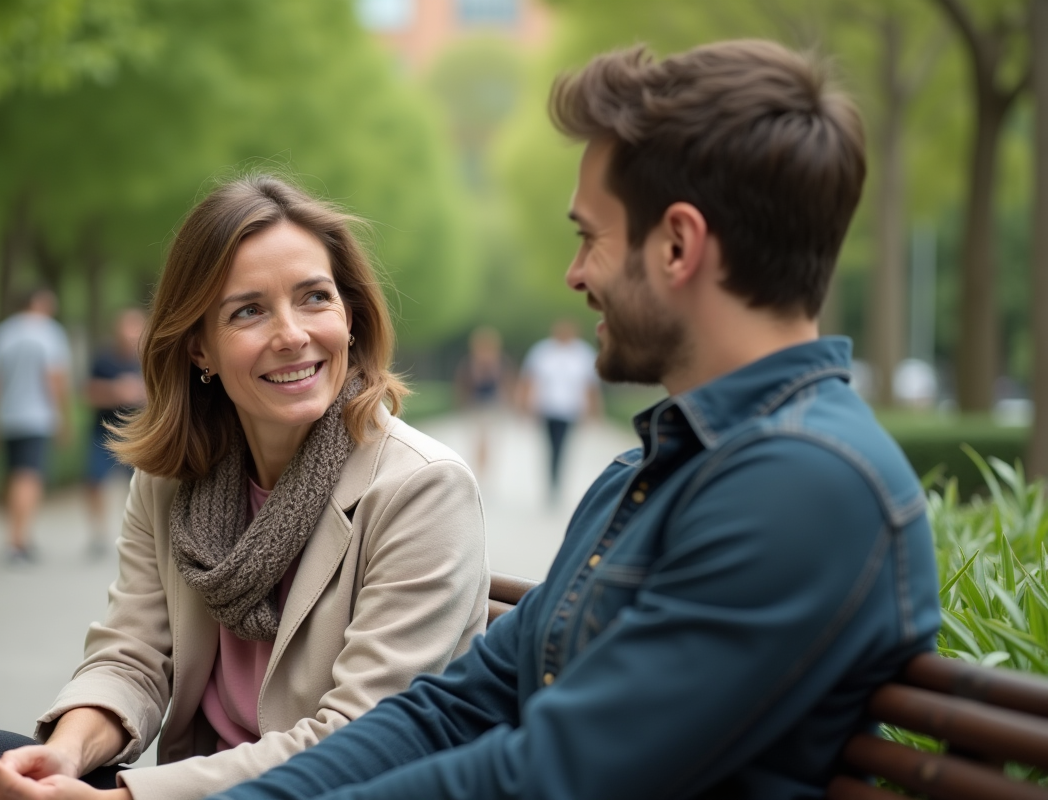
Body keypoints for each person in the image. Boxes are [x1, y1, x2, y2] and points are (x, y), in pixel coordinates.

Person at [206, 40, 941, 800]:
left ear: (679, 245)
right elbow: (453, 710)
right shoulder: (650, 473)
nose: (575, 273)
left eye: (590, 236)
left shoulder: (806, 487)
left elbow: (552, 775)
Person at [0, 176, 490, 800]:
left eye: (315, 297)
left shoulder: (423, 491)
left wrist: (123, 799)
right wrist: (65, 755)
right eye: (249, 310)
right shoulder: (170, 483)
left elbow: (357, 744)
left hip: (328, 791)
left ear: (350, 318)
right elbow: (132, 656)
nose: (292, 334)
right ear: (199, 348)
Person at [0, 287, 72, 563]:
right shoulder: (49, 332)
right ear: (38, 303)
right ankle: (18, 541)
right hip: (37, 417)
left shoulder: (1, 333)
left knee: (10, 476)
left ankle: (15, 534)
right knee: (29, 477)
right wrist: (62, 418)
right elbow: (54, 378)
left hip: (7, 416)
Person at [84, 307, 148, 556]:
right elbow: (89, 393)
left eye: (135, 327)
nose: (131, 333)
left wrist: (142, 393)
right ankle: (98, 534)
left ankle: (140, 534)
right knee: (94, 481)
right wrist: (115, 391)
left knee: (141, 486)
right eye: (126, 326)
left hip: (140, 433)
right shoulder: (103, 360)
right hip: (104, 433)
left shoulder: (150, 358)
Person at [517, 319, 601, 497]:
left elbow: (590, 385)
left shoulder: (583, 353)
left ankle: (557, 479)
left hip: (570, 409)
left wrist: (593, 410)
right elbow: (529, 379)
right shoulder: (542, 351)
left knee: (562, 445)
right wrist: (524, 404)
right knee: (550, 445)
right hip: (547, 407)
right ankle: (551, 478)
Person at [453, 325, 513, 476]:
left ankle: (486, 467)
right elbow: (462, 384)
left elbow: (506, 382)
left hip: (493, 404)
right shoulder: (469, 363)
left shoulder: (500, 362)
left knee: (491, 439)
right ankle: (479, 467)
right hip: (476, 404)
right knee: (477, 439)